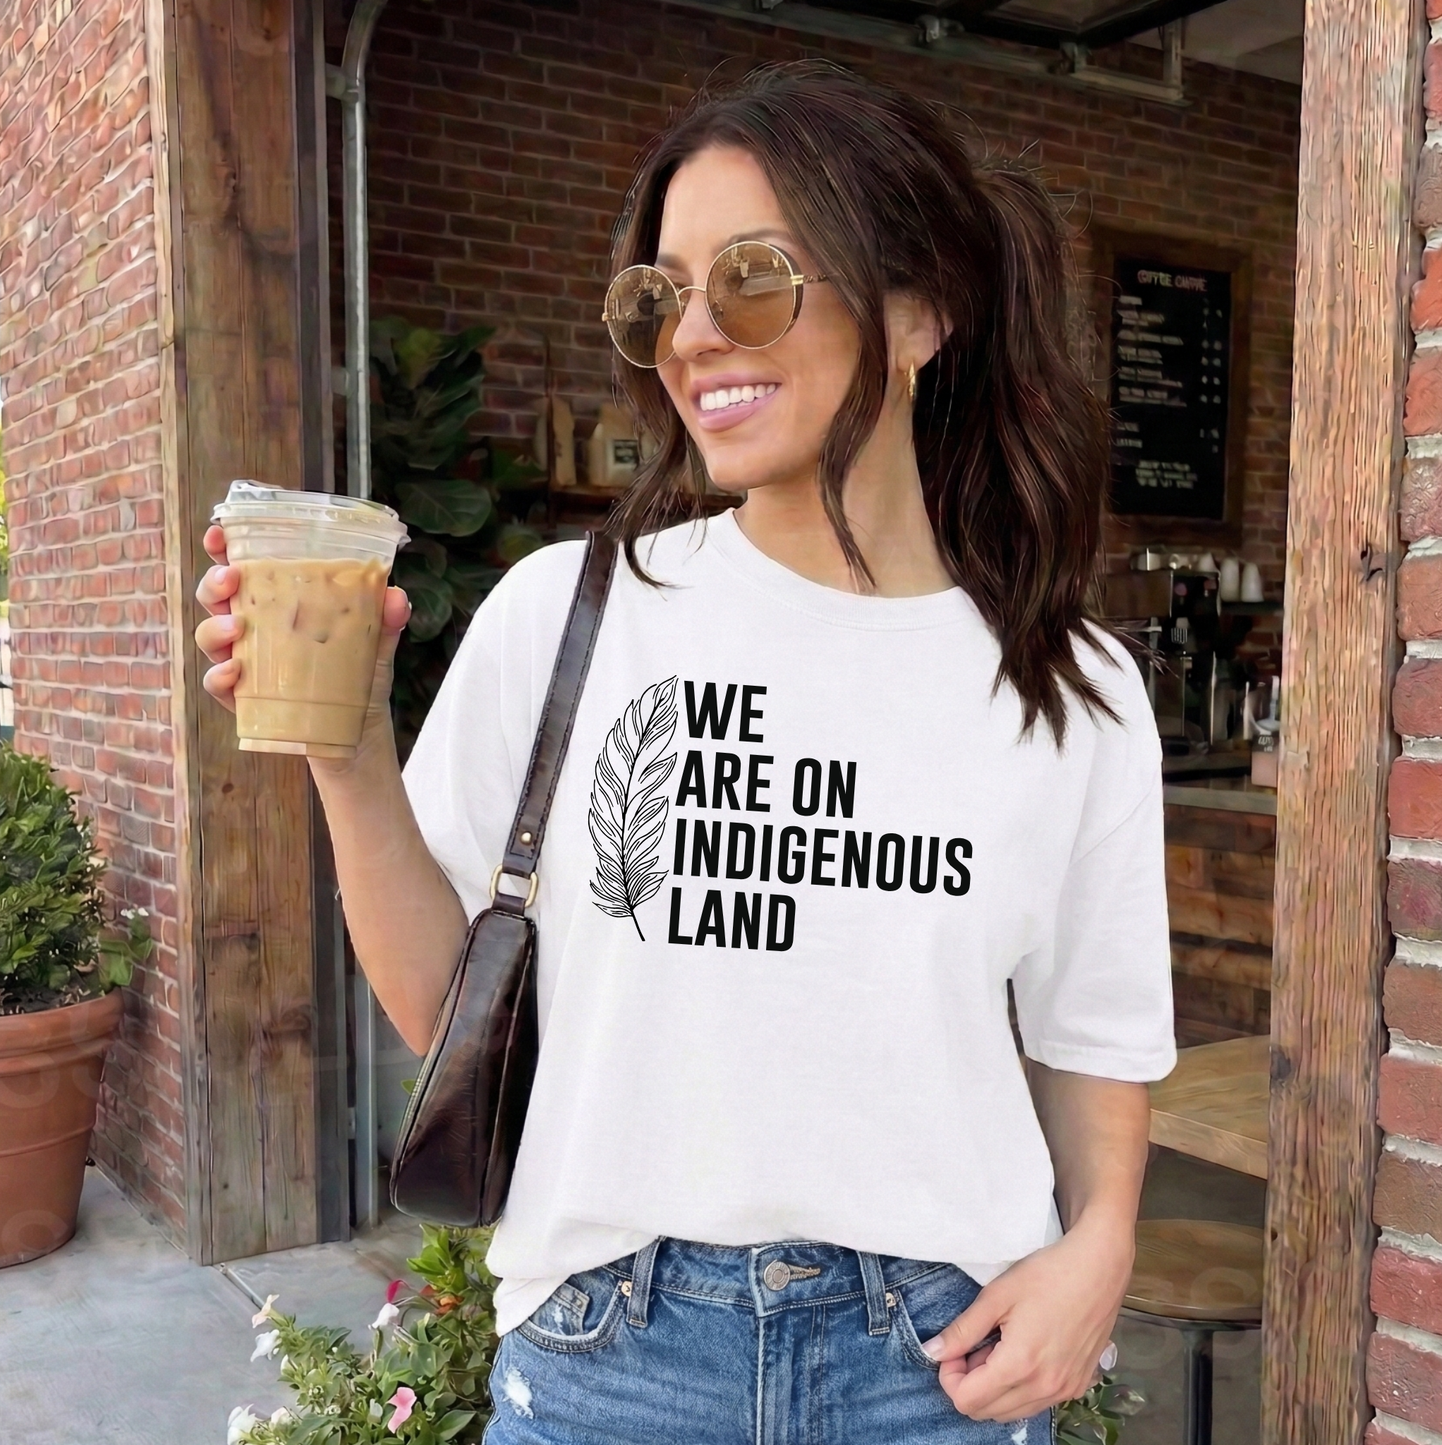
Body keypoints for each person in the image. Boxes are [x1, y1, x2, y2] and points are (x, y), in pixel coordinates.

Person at [196, 61, 1173, 1445]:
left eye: (755, 279)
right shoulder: (573, 613)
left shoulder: (1073, 688)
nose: (695, 335)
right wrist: (348, 746)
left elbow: (1094, 1031)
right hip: (610, 1362)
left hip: (941, 1367)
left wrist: (1104, 1244)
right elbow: (440, 1010)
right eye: (658, 298)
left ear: (921, 311)